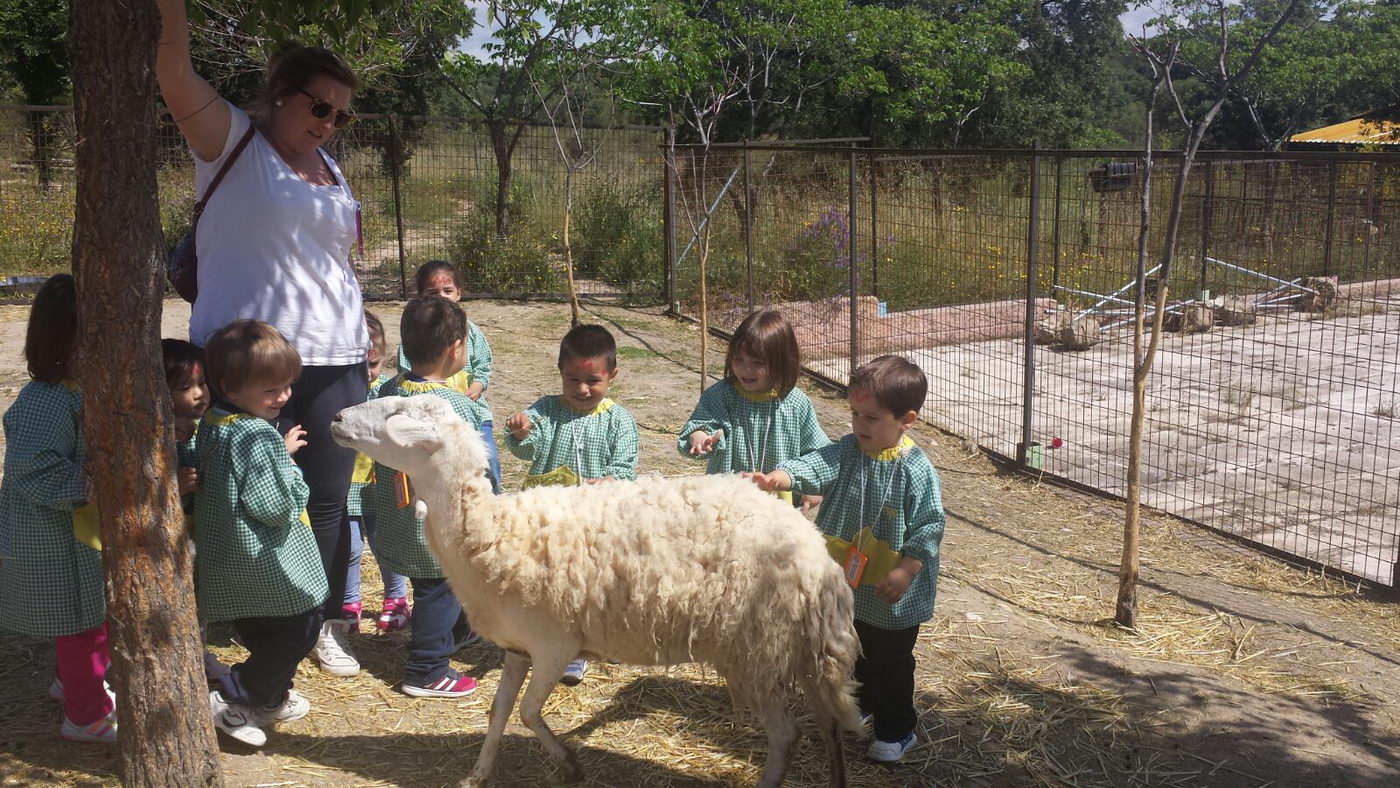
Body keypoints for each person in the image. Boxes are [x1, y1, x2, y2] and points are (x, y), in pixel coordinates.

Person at [157, 0, 370, 678]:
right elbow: (174, 71)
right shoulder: (231, 140)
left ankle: (315, 622)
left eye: (341, 116)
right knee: (230, 493)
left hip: (337, 354)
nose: (329, 125)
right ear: (281, 95)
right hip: (248, 358)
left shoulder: (331, 170)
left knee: (325, 498)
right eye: (318, 107)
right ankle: (239, 616)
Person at [748, 355, 944, 763]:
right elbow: (816, 464)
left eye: (871, 418)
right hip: (845, 583)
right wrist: (780, 477)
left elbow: (929, 526)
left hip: (893, 594)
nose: (859, 425)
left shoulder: (916, 470)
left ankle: (897, 729)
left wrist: (908, 569)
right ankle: (864, 706)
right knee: (850, 649)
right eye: (855, 413)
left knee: (890, 660)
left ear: (906, 419)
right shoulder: (848, 450)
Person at [194, 320, 328, 748]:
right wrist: (288, 465)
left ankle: (270, 698)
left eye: (287, 385)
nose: (283, 396)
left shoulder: (213, 423)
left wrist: (276, 452)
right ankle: (236, 693)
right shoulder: (255, 433)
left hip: (228, 558)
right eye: (269, 390)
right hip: (265, 561)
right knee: (304, 624)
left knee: (261, 628)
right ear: (229, 387)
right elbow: (274, 508)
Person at [0, 274, 115, 744]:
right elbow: (32, 467)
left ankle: (70, 684)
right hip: (51, 535)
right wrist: (93, 485)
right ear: (68, 342)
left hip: (74, 530)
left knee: (93, 615)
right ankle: (84, 716)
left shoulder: (75, 390)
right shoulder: (50, 399)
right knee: (79, 622)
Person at [504, 323, 639, 685]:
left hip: (596, 521)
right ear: (560, 374)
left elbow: (625, 467)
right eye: (571, 380)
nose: (582, 389)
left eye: (592, 380)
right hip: (551, 518)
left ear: (612, 375)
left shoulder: (619, 421)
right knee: (549, 582)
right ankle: (547, 640)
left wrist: (608, 481)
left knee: (590, 583)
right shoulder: (547, 410)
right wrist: (522, 432)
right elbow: (528, 445)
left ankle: (581, 648)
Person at [368, 297, 488, 698]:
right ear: (456, 348)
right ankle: (427, 669)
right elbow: (475, 464)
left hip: (392, 513)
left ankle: (454, 633)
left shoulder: (388, 390)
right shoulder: (452, 406)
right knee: (440, 583)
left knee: (429, 583)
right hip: (435, 520)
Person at [678, 309, 829, 507]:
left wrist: (814, 489)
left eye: (757, 363)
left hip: (778, 505)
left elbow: (817, 453)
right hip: (725, 502)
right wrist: (699, 438)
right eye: (738, 359)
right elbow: (701, 426)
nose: (745, 369)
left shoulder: (796, 404)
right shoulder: (721, 396)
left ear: (782, 362)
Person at [159, 338, 230, 686]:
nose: (200, 394)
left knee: (198, 602)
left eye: (203, 383)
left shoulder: (210, 425)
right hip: (168, 538)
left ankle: (196, 655)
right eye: (186, 387)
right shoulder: (152, 435)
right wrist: (173, 485)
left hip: (200, 534)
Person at [395, 260, 502, 492]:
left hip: (471, 410)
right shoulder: (416, 332)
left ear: (459, 293)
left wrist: (478, 385)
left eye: (447, 291)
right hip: (428, 415)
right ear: (421, 296)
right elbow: (406, 371)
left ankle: (492, 498)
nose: (441, 297)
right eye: (432, 292)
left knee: (488, 459)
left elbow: (483, 364)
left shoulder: (469, 331)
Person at [343, 310, 411, 635]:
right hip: (349, 487)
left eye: (373, 364)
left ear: (384, 359)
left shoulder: (388, 393)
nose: (367, 373)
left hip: (380, 485)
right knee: (351, 547)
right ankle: (349, 602)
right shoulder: (340, 395)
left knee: (387, 543)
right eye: (359, 365)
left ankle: (397, 600)